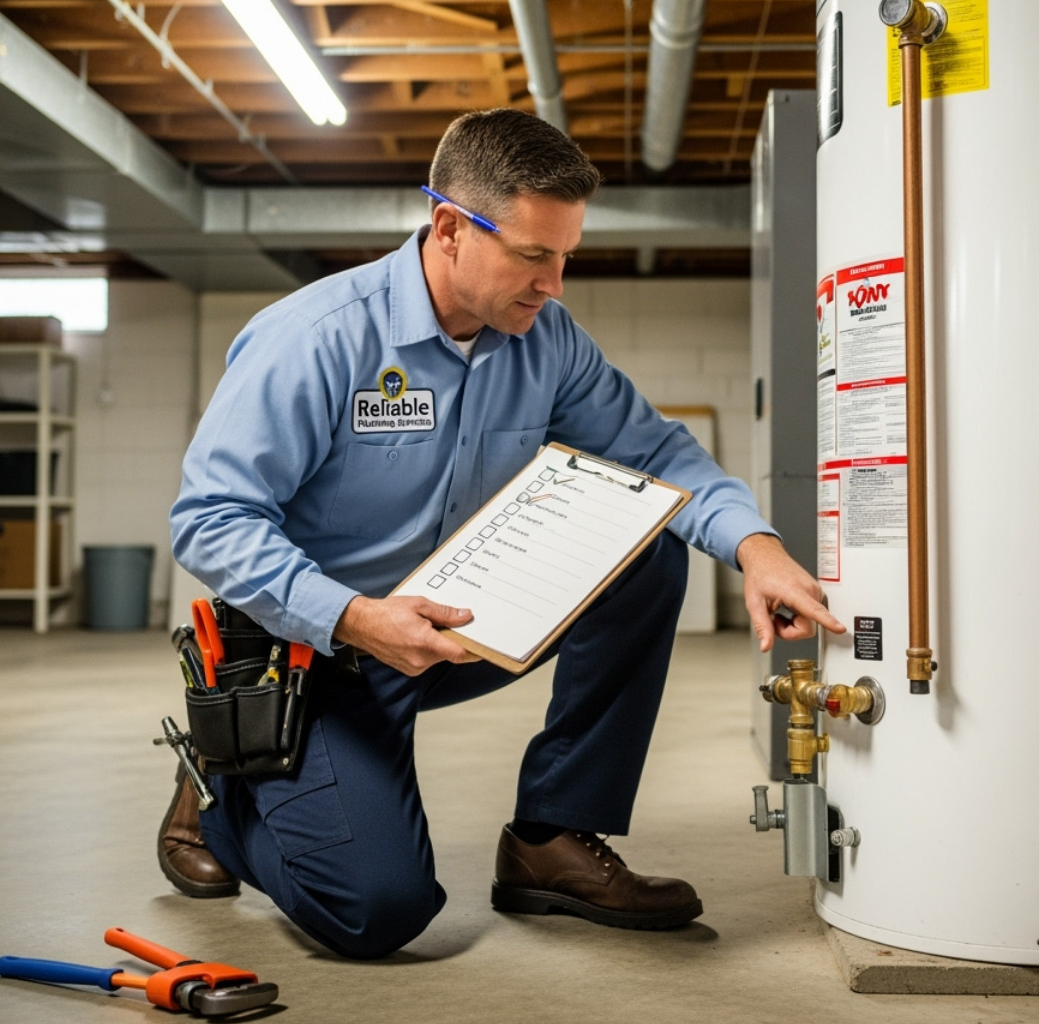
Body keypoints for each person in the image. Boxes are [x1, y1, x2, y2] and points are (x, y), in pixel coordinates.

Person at [165, 108, 843, 959]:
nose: (555, 284)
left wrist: (757, 546)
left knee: (649, 546)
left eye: (566, 257)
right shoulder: (316, 338)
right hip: (313, 654)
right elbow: (211, 518)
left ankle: (550, 837)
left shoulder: (546, 342)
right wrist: (357, 618)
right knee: (377, 911)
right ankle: (224, 791)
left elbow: (658, 454)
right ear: (449, 227)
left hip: (453, 626)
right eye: (532, 256)